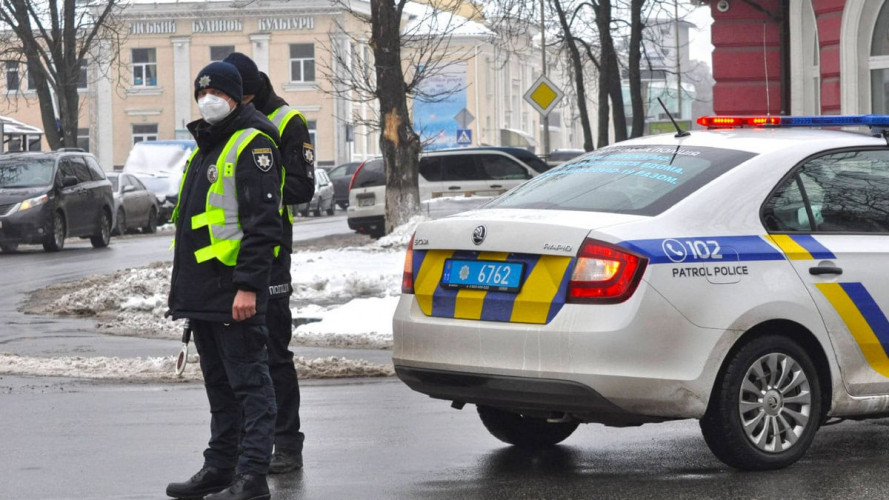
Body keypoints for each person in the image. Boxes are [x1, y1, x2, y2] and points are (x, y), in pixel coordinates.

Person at [165, 61, 283, 500]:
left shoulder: (252, 144)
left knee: (252, 385)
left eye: (214, 93)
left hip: (235, 291)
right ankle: (220, 467)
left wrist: (249, 286)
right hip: (205, 292)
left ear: (236, 97)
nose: (206, 100)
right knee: (220, 387)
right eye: (200, 93)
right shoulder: (207, 145)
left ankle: (251, 477)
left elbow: (263, 224)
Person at [223, 52, 314, 474]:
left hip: (272, 252)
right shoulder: (223, 121)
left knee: (273, 349)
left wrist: (259, 183)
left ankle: (286, 443)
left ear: (251, 94)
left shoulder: (285, 121)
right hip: (227, 256)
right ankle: (245, 444)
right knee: (234, 356)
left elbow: (301, 186)